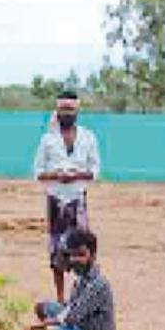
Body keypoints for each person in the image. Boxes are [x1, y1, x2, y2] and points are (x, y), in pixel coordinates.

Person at [21, 229, 114, 330]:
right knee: (44, 308)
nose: (74, 259)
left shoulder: (98, 285)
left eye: (81, 254)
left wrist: (35, 327)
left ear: (93, 255)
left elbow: (69, 318)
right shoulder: (81, 281)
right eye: (72, 254)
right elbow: (67, 313)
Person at [33, 90, 101, 303]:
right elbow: (38, 171)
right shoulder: (47, 140)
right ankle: (61, 298)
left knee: (83, 248)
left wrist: (76, 175)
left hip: (77, 199)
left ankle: (83, 296)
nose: (66, 113)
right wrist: (56, 175)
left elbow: (95, 169)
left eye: (70, 109)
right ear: (57, 110)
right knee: (56, 250)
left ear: (77, 110)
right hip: (55, 200)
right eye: (62, 109)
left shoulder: (88, 137)